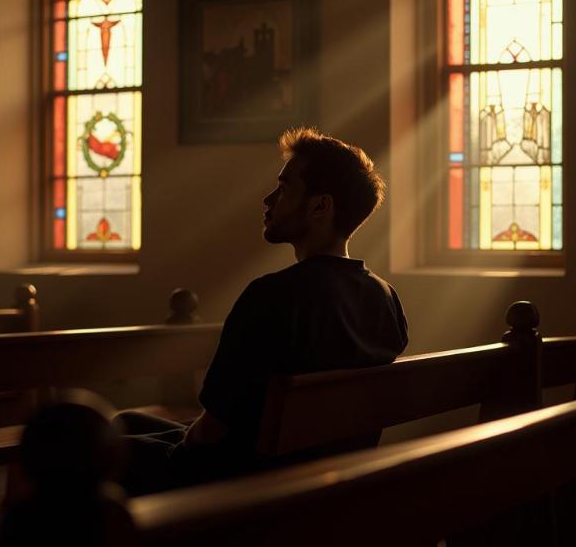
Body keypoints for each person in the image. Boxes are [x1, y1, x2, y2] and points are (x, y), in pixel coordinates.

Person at [119, 127, 408, 493]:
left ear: (320, 206)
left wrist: (174, 450)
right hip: (325, 470)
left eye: (285, 188)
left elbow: (211, 431)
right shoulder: (385, 297)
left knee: (88, 445)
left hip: (250, 480)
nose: (268, 200)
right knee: (127, 421)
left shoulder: (272, 296)